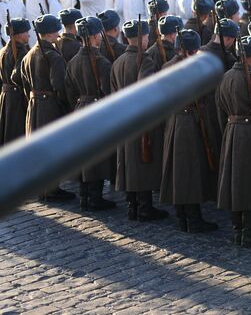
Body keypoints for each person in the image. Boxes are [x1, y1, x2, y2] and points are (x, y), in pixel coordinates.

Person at [217, 35, 251, 248]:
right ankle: (249, 231)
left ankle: (237, 229)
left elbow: (220, 106)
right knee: (250, 183)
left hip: (231, 130)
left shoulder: (226, 76)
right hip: (249, 133)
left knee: (235, 181)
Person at [159, 29, 218, 233]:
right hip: (189, 122)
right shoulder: (193, 69)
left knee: (179, 171)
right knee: (190, 172)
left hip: (175, 120)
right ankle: (192, 218)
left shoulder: (168, 66)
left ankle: (182, 215)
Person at [110, 19, 168, 222]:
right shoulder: (145, 61)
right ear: (142, 38)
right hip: (141, 117)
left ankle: (132, 205)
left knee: (129, 160)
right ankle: (144, 207)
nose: (147, 40)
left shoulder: (118, 62)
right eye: (145, 37)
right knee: (142, 162)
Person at [21, 14, 74, 201]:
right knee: (50, 147)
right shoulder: (52, 55)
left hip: (34, 104)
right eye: (56, 30)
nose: (59, 33)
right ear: (51, 33)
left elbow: (24, 82)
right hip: (50, 105)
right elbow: (60, 85)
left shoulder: (28, 54)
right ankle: (50, 189)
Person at [65, 16, 116, 211]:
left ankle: (85, 195)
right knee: (97, 155)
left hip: (79, 108)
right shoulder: (101, 62)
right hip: (96, 110)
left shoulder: (73, 62)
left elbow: (69, 91)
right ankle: (94, 197)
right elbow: (108, 92)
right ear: (95, 36)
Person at [0, 18, 31, 145]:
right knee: (16, 137)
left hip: (5, 97)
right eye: (26, 31)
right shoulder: (20, 51)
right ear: (18, 35)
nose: (29, 34)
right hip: (17, 99)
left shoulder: (3, 51)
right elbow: (17, 77)